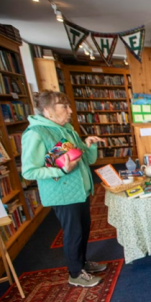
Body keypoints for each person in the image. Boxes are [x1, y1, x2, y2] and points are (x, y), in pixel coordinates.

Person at [22, 90, 106, 287]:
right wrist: (60, 170)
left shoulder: (67, 129)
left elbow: (86, 159)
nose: (70, 111)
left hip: (80, 191)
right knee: (73, 233)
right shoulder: (35, 133)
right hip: (63, 194)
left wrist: (89, 145)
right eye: (64, 106)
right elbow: (29, 171)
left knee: (83, 229)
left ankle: (82, 263)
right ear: (48, 111)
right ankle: (75, 273)